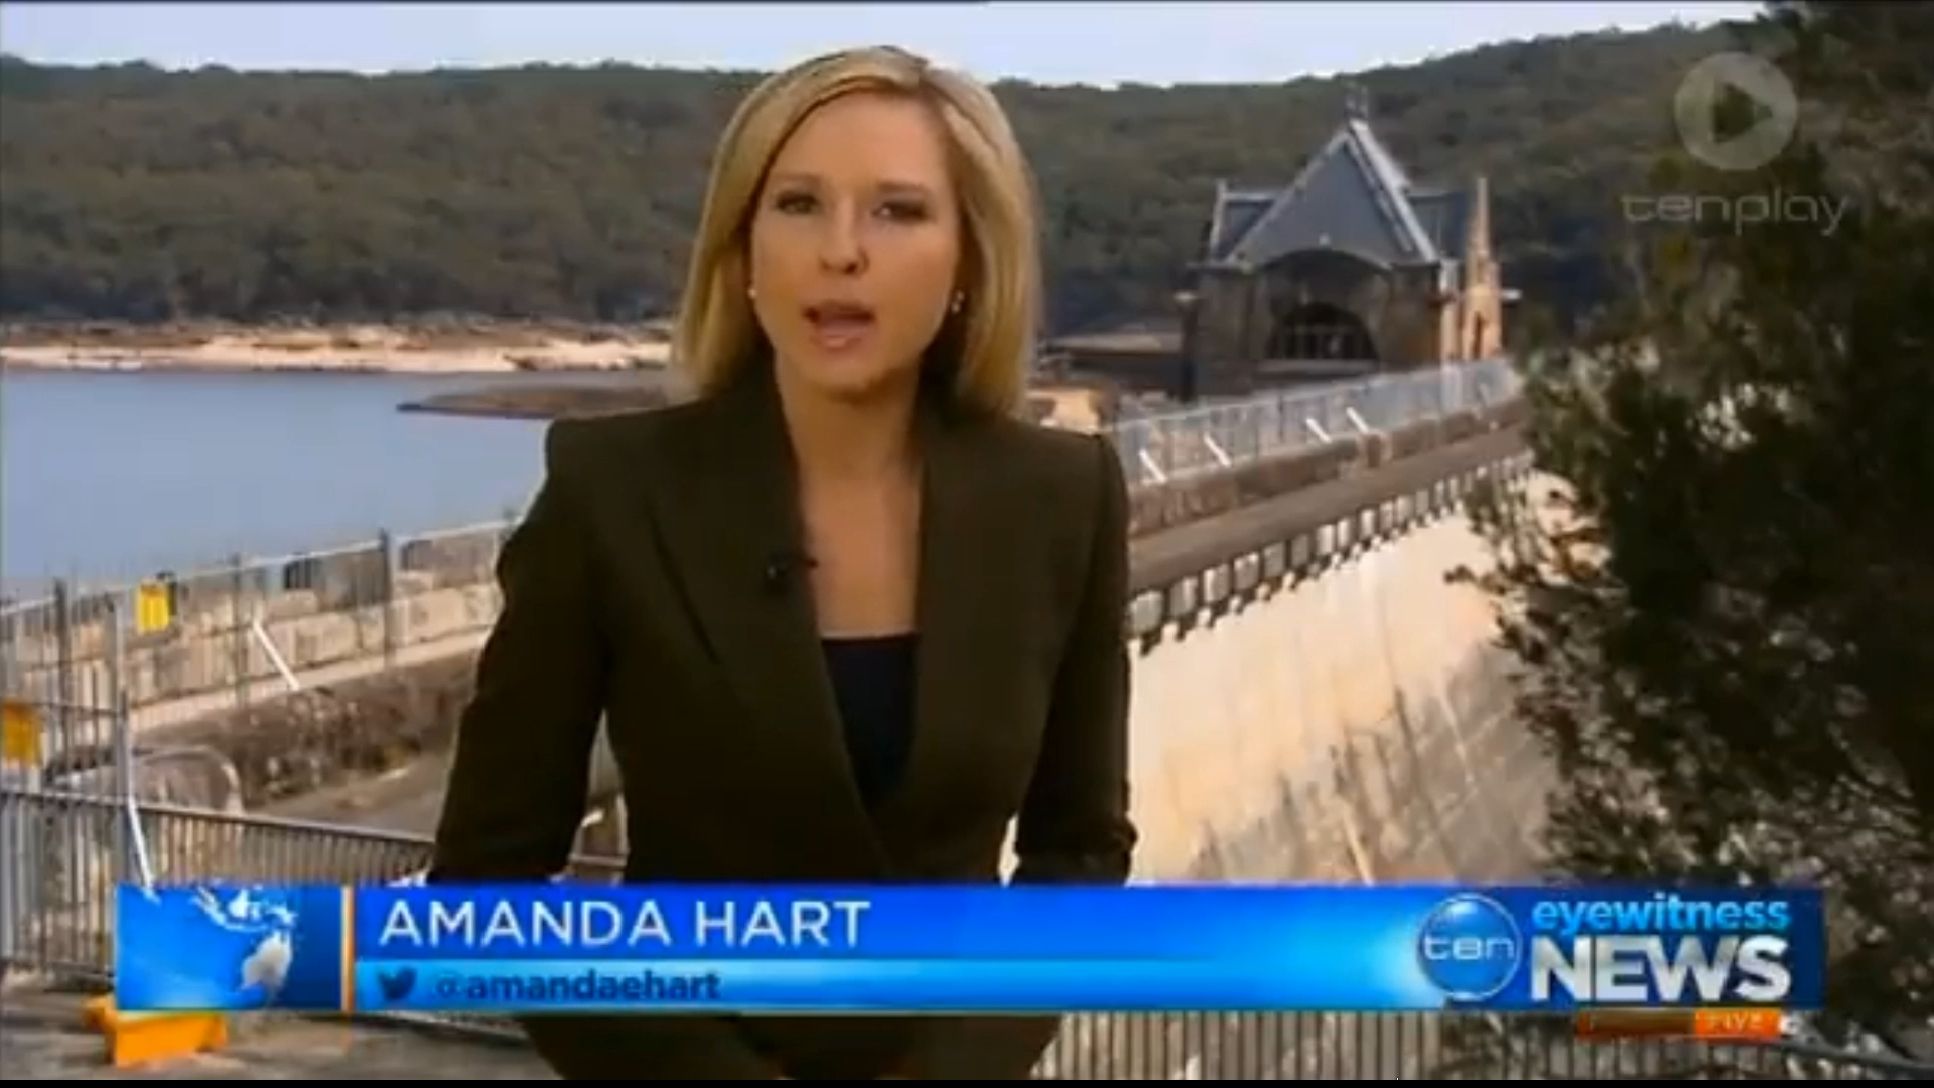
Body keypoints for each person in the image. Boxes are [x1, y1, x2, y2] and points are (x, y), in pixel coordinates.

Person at [428, 44, 1137, 1080]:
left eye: (897, 210)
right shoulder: (611, 491)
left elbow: (1077, 851)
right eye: (798, 204)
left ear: (969, 262)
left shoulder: (1063, 498)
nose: (840, 251)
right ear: (742, 249)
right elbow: (486, 889)